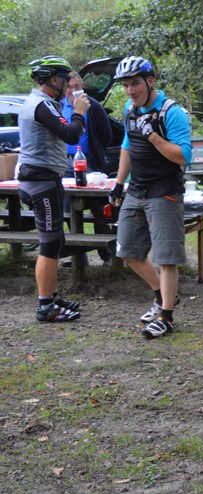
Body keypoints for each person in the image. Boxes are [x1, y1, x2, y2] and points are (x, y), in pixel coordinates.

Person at [107, 56, 193, 339]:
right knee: (128, 251)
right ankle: (162, 295)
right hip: (137, 189)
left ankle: (166, 316)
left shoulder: (172, 112)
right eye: (125, 86)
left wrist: (154, 137)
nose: (130, 91)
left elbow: (183, 157)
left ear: (150, 81)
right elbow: (127, 145)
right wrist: (119, 184)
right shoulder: (129, 109)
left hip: (165, 192)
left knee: (167, 258)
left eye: (135, 84)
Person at [17, 55, 89, 322]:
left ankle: (51, 295)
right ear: (54, 79)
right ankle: (45, 305)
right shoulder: (41, 105)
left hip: (46, 180)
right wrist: (79, 111)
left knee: (57, 241)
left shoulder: (45, 103)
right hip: (40, 182)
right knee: (49, 244)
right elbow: (71, 134)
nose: (68, 85)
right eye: (65, 79)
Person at [62, 71, 113, 263]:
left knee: (98, 207)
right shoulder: (59, 106)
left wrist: (96, 154)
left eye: (77, 87)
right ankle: (78, 255)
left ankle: (107, 254)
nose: (74, 91)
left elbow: (106, 134)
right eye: (70, 87)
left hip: (89, 162)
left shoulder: (93, 106)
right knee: (68, 209)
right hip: (65, 162)